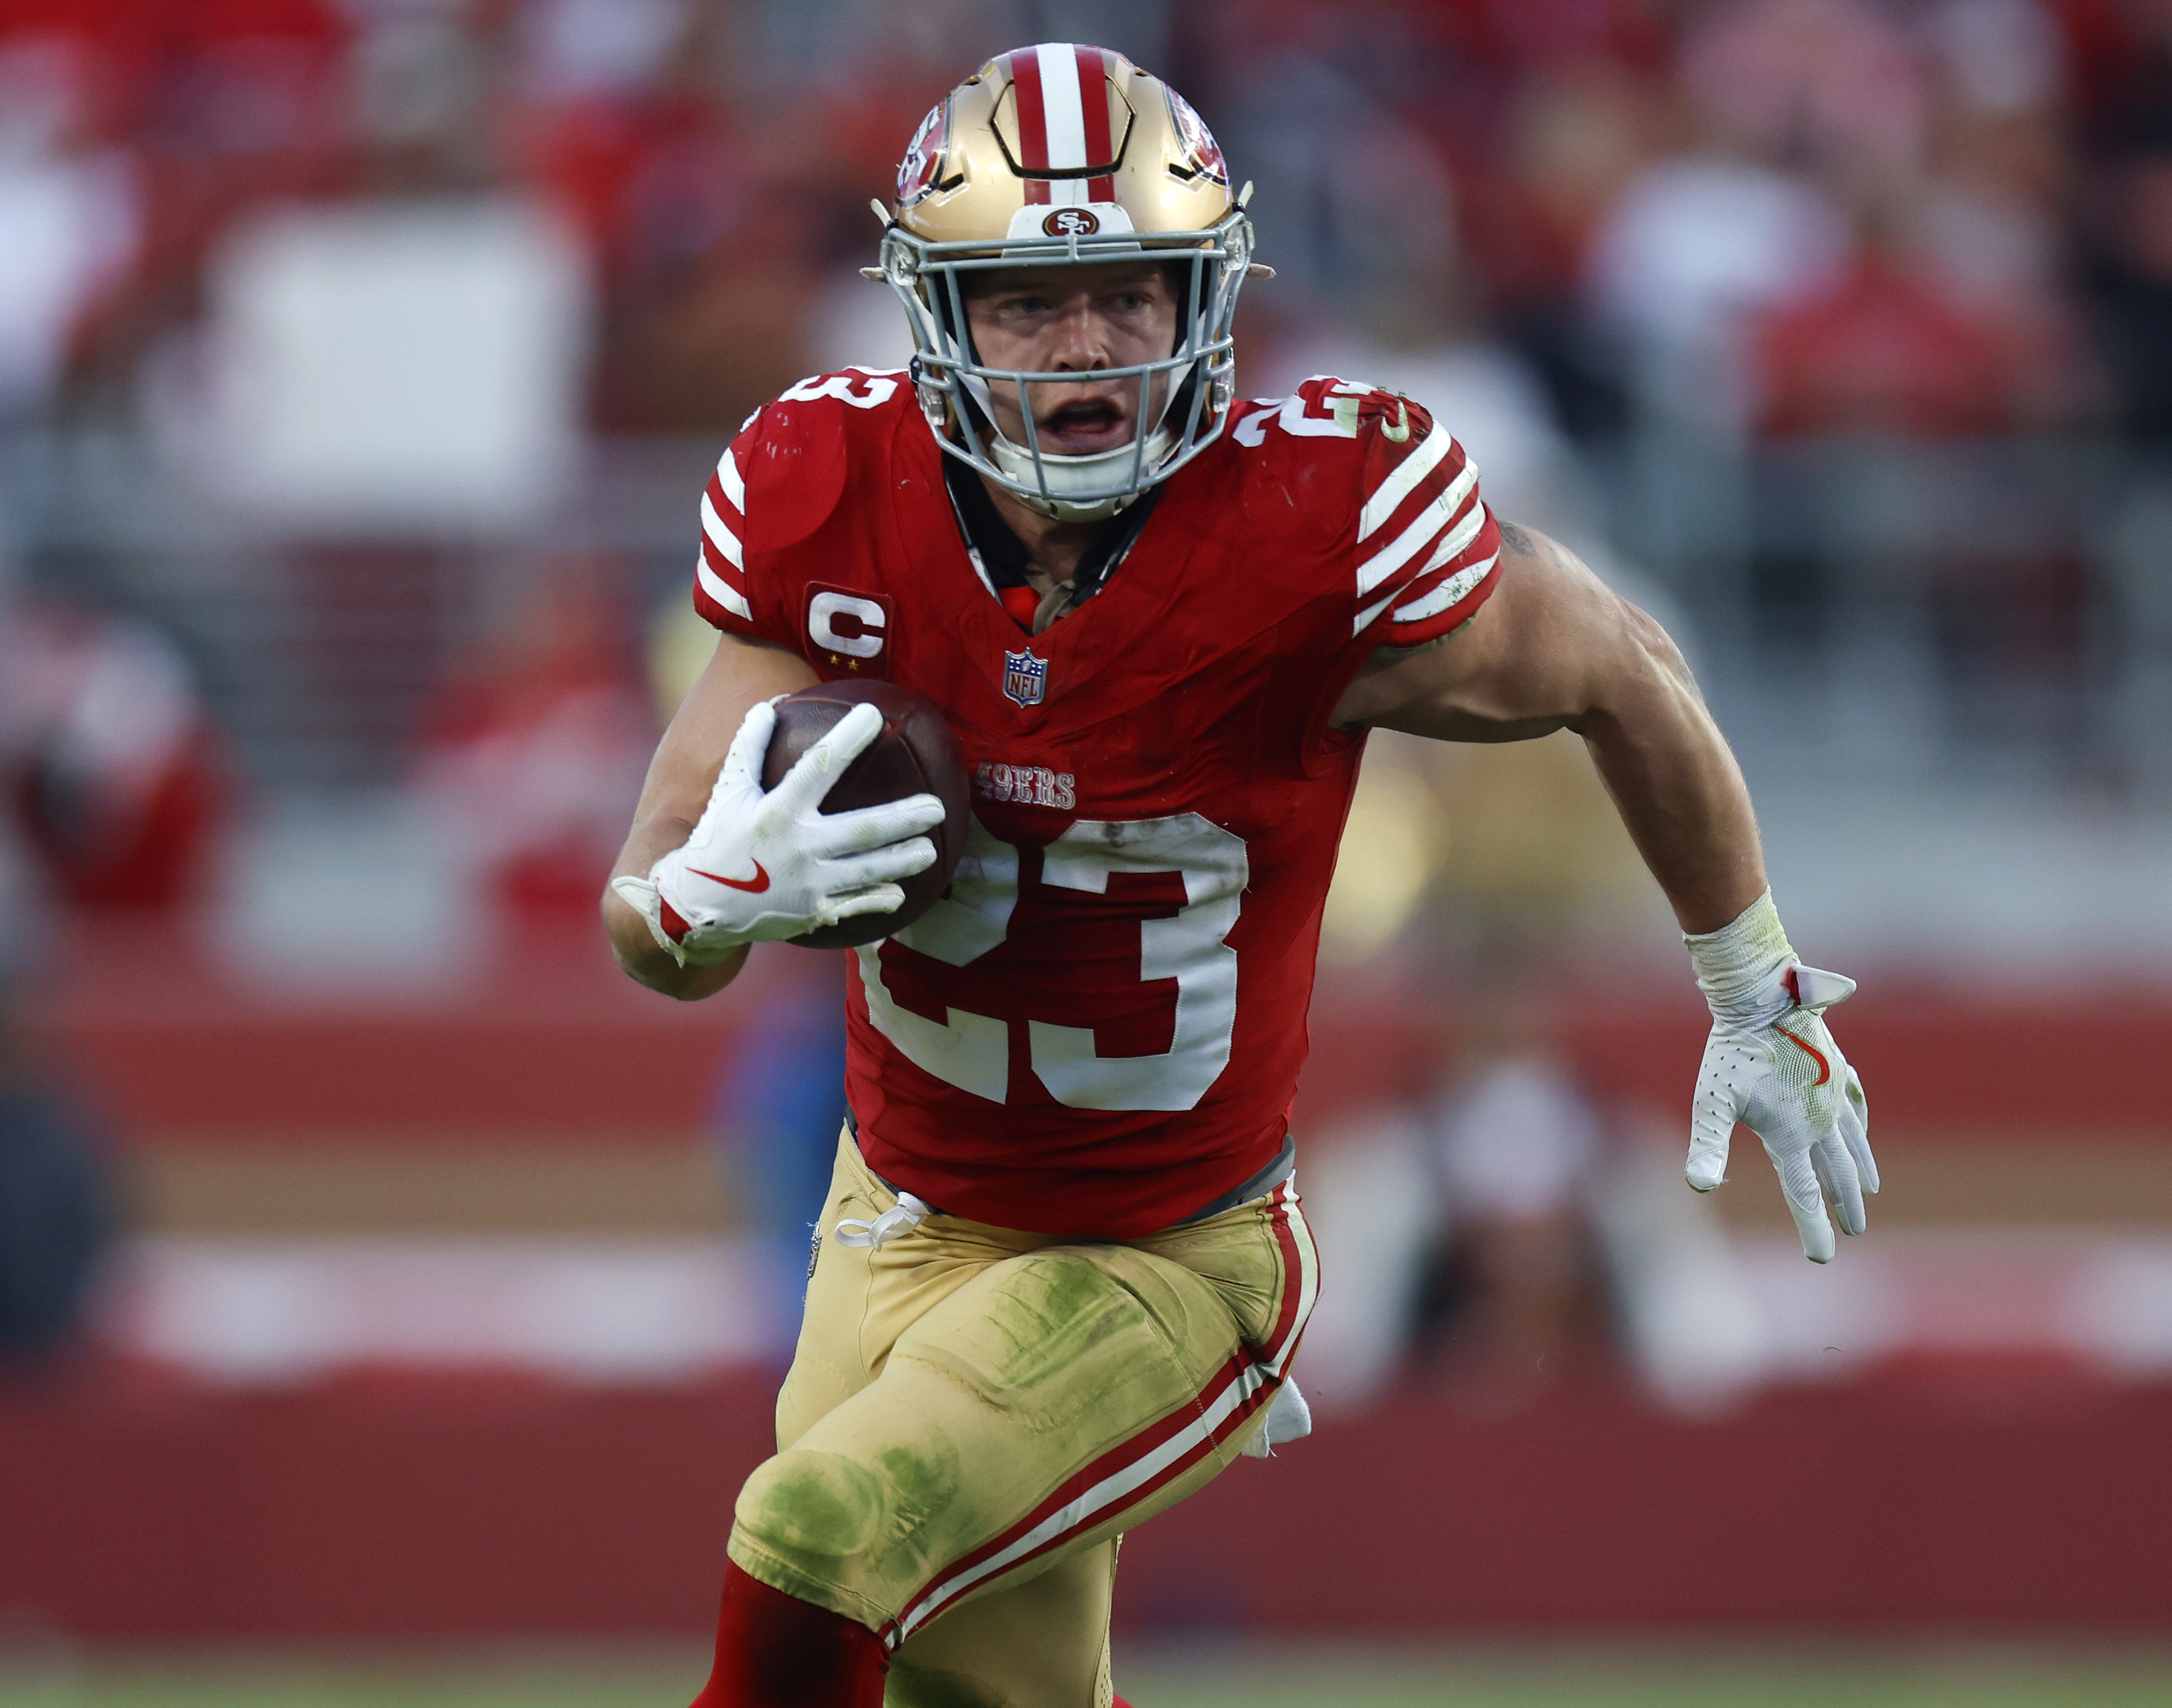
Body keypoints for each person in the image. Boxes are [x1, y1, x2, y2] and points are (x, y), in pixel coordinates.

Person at [603, 45, 1878, 1708]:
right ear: (934, 314)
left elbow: (1624, 671)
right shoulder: (827, 497)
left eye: (1132, 295)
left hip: (1165, 1256)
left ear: (1208, 296)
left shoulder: (1316, 529)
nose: (1083, 348)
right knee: (990, 1693)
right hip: (894, 1213)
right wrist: (712, 901)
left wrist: (1751, 979)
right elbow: (649, 921)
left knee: (816, 1532)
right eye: (1026, 302)